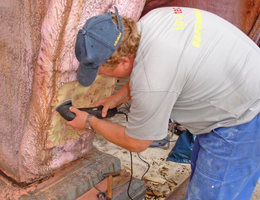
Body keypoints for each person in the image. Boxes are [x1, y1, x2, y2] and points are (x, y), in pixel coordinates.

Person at [67, 6, 260, 199]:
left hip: (244, 116)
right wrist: (118, 98)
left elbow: (136, 142)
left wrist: (89, 122)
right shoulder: (150, 22)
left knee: (214, 192)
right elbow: (156, 67)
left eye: (100, 70)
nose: (100, 74)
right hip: (240, 80)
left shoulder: (152, 79)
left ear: (123, 62)